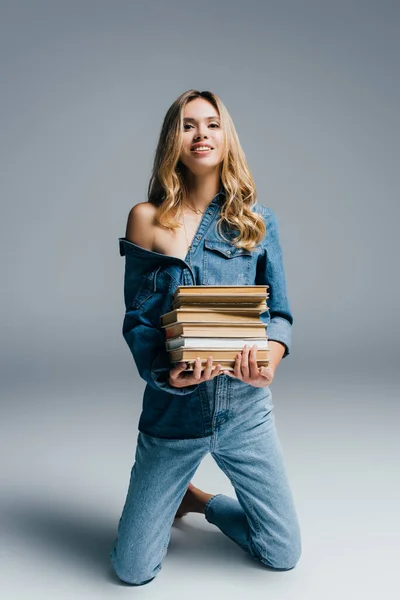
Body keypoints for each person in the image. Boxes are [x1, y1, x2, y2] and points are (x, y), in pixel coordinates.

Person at [109, 89, 301, 585]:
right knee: (131, 571)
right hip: (173, 412)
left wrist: (270, 358)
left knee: (282, 554)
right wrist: (165, 371)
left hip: (244, 409)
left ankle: (201, 501)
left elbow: (278, 313)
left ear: (225, 137)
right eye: (188, 125)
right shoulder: (146, 219)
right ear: (174, 139)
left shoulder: (257, 220)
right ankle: (180, 494)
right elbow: (139, 322)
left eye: (212, 124)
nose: (201, 135)